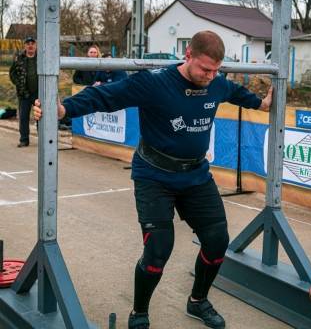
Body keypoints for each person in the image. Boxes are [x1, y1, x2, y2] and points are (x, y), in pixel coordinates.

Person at [34, 31, 273, 329]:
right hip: (154, 176)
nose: (211, 76)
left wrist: (262, 104)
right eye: (205, 69)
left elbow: (238, 94)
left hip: (196, 176)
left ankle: (198, 301)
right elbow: (107, 96)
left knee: (217, 241)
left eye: (216, 70)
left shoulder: (216, 83)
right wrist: (64, 109)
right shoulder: (154, 83)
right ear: (187, 56)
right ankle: (139, 313)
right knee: (159, 249)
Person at [9, 36, 38, 147]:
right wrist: (18, 83)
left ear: (35, 45)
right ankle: (24, 140)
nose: (30, 46)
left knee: (40, 117)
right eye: (28, 44)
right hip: (24, 93)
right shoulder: (19, 58)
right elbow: (12, 73)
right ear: (25, 46)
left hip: (38, 93)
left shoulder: (41, 58)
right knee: (24, 117)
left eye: (32, 43)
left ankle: (43, 140)